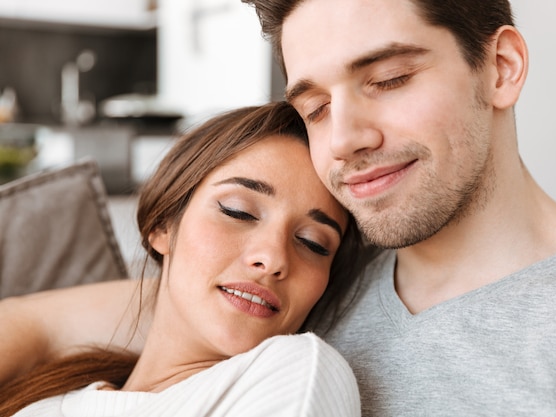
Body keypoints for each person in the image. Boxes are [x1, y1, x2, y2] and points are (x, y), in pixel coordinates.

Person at [1, 0, 556, 415]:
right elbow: (40, 328)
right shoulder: (312, 277)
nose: (345, 138)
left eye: (387, 79)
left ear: (502, 67)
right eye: (316, 108)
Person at [0, 102, 364, 416]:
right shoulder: (48, 395)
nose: (272, 258)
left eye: (313, 243)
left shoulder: (294, 371)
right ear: (162, 226)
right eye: (238, 212)